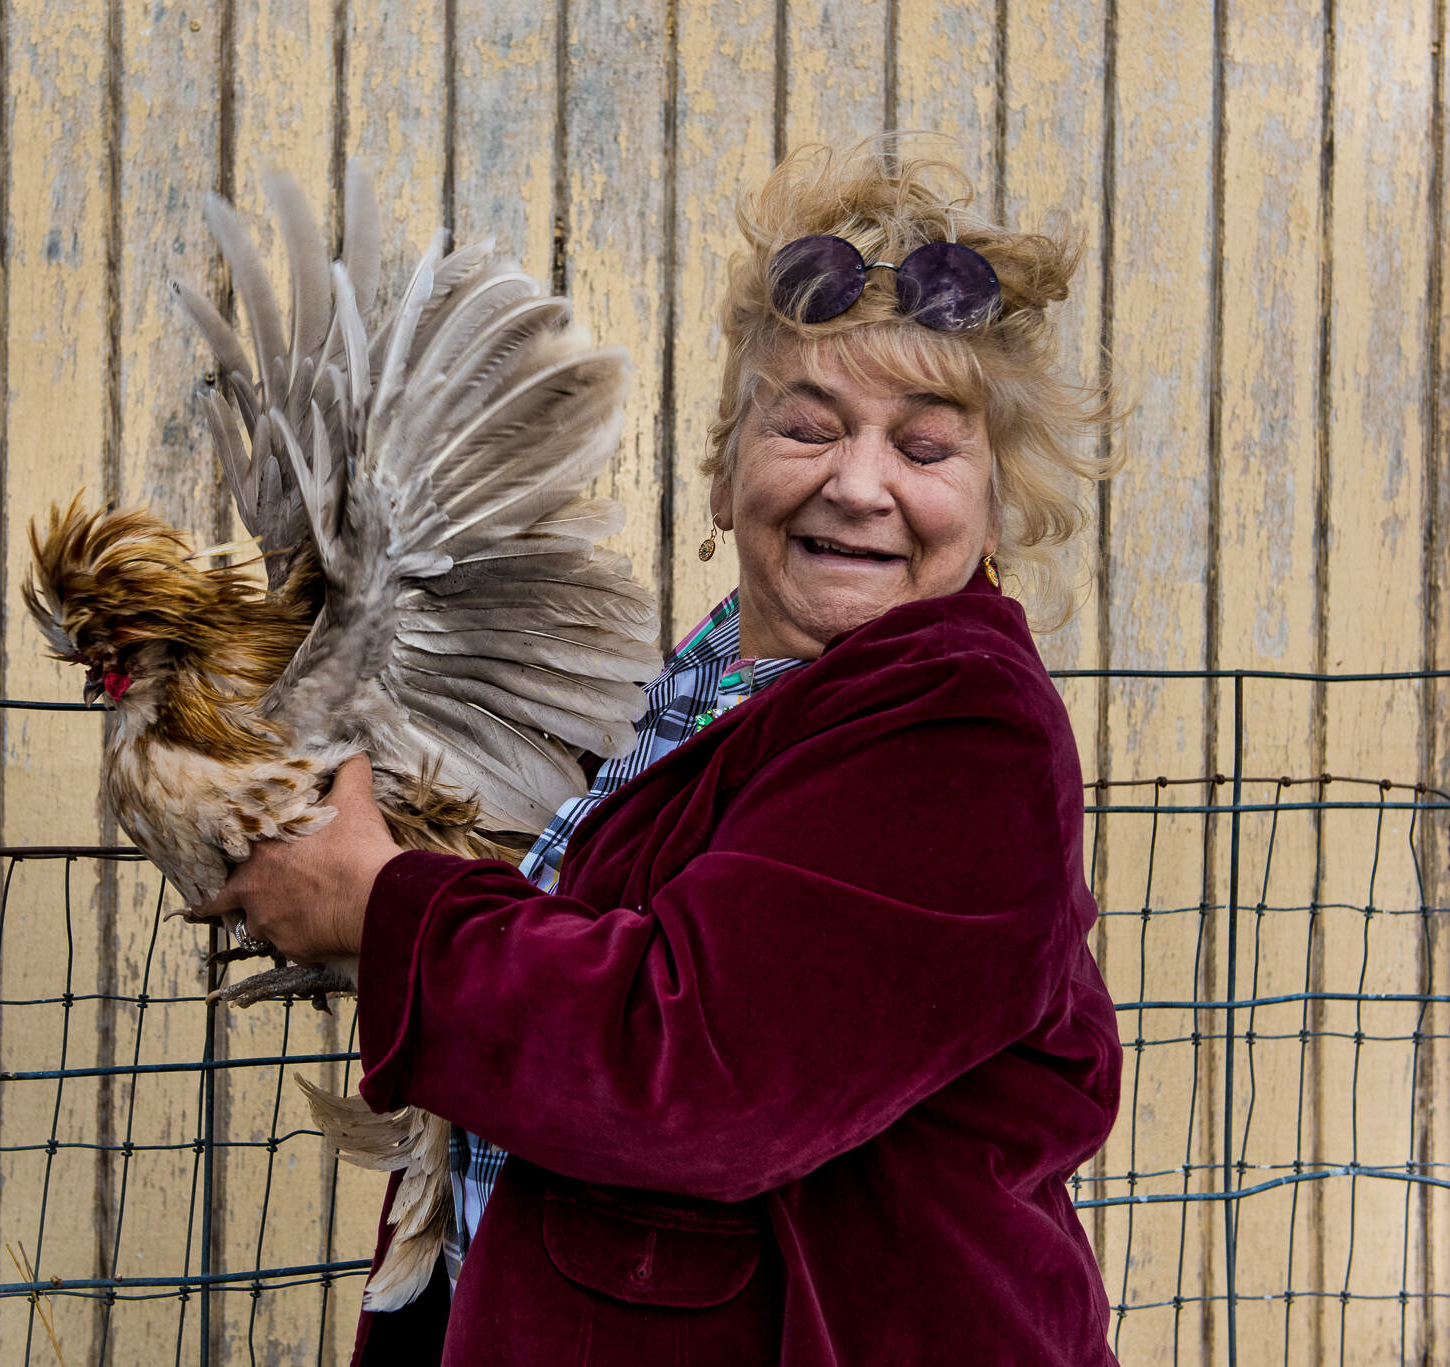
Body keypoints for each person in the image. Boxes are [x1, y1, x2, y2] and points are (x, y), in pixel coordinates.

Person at [197, 142, 1123, 1365]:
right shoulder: (704, 689)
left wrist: (381, 909)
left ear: (998, 501)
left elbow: (694, 1074)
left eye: (925, 445)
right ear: (727, 467)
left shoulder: (960, 730)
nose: (856, 483)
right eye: (807, 425)